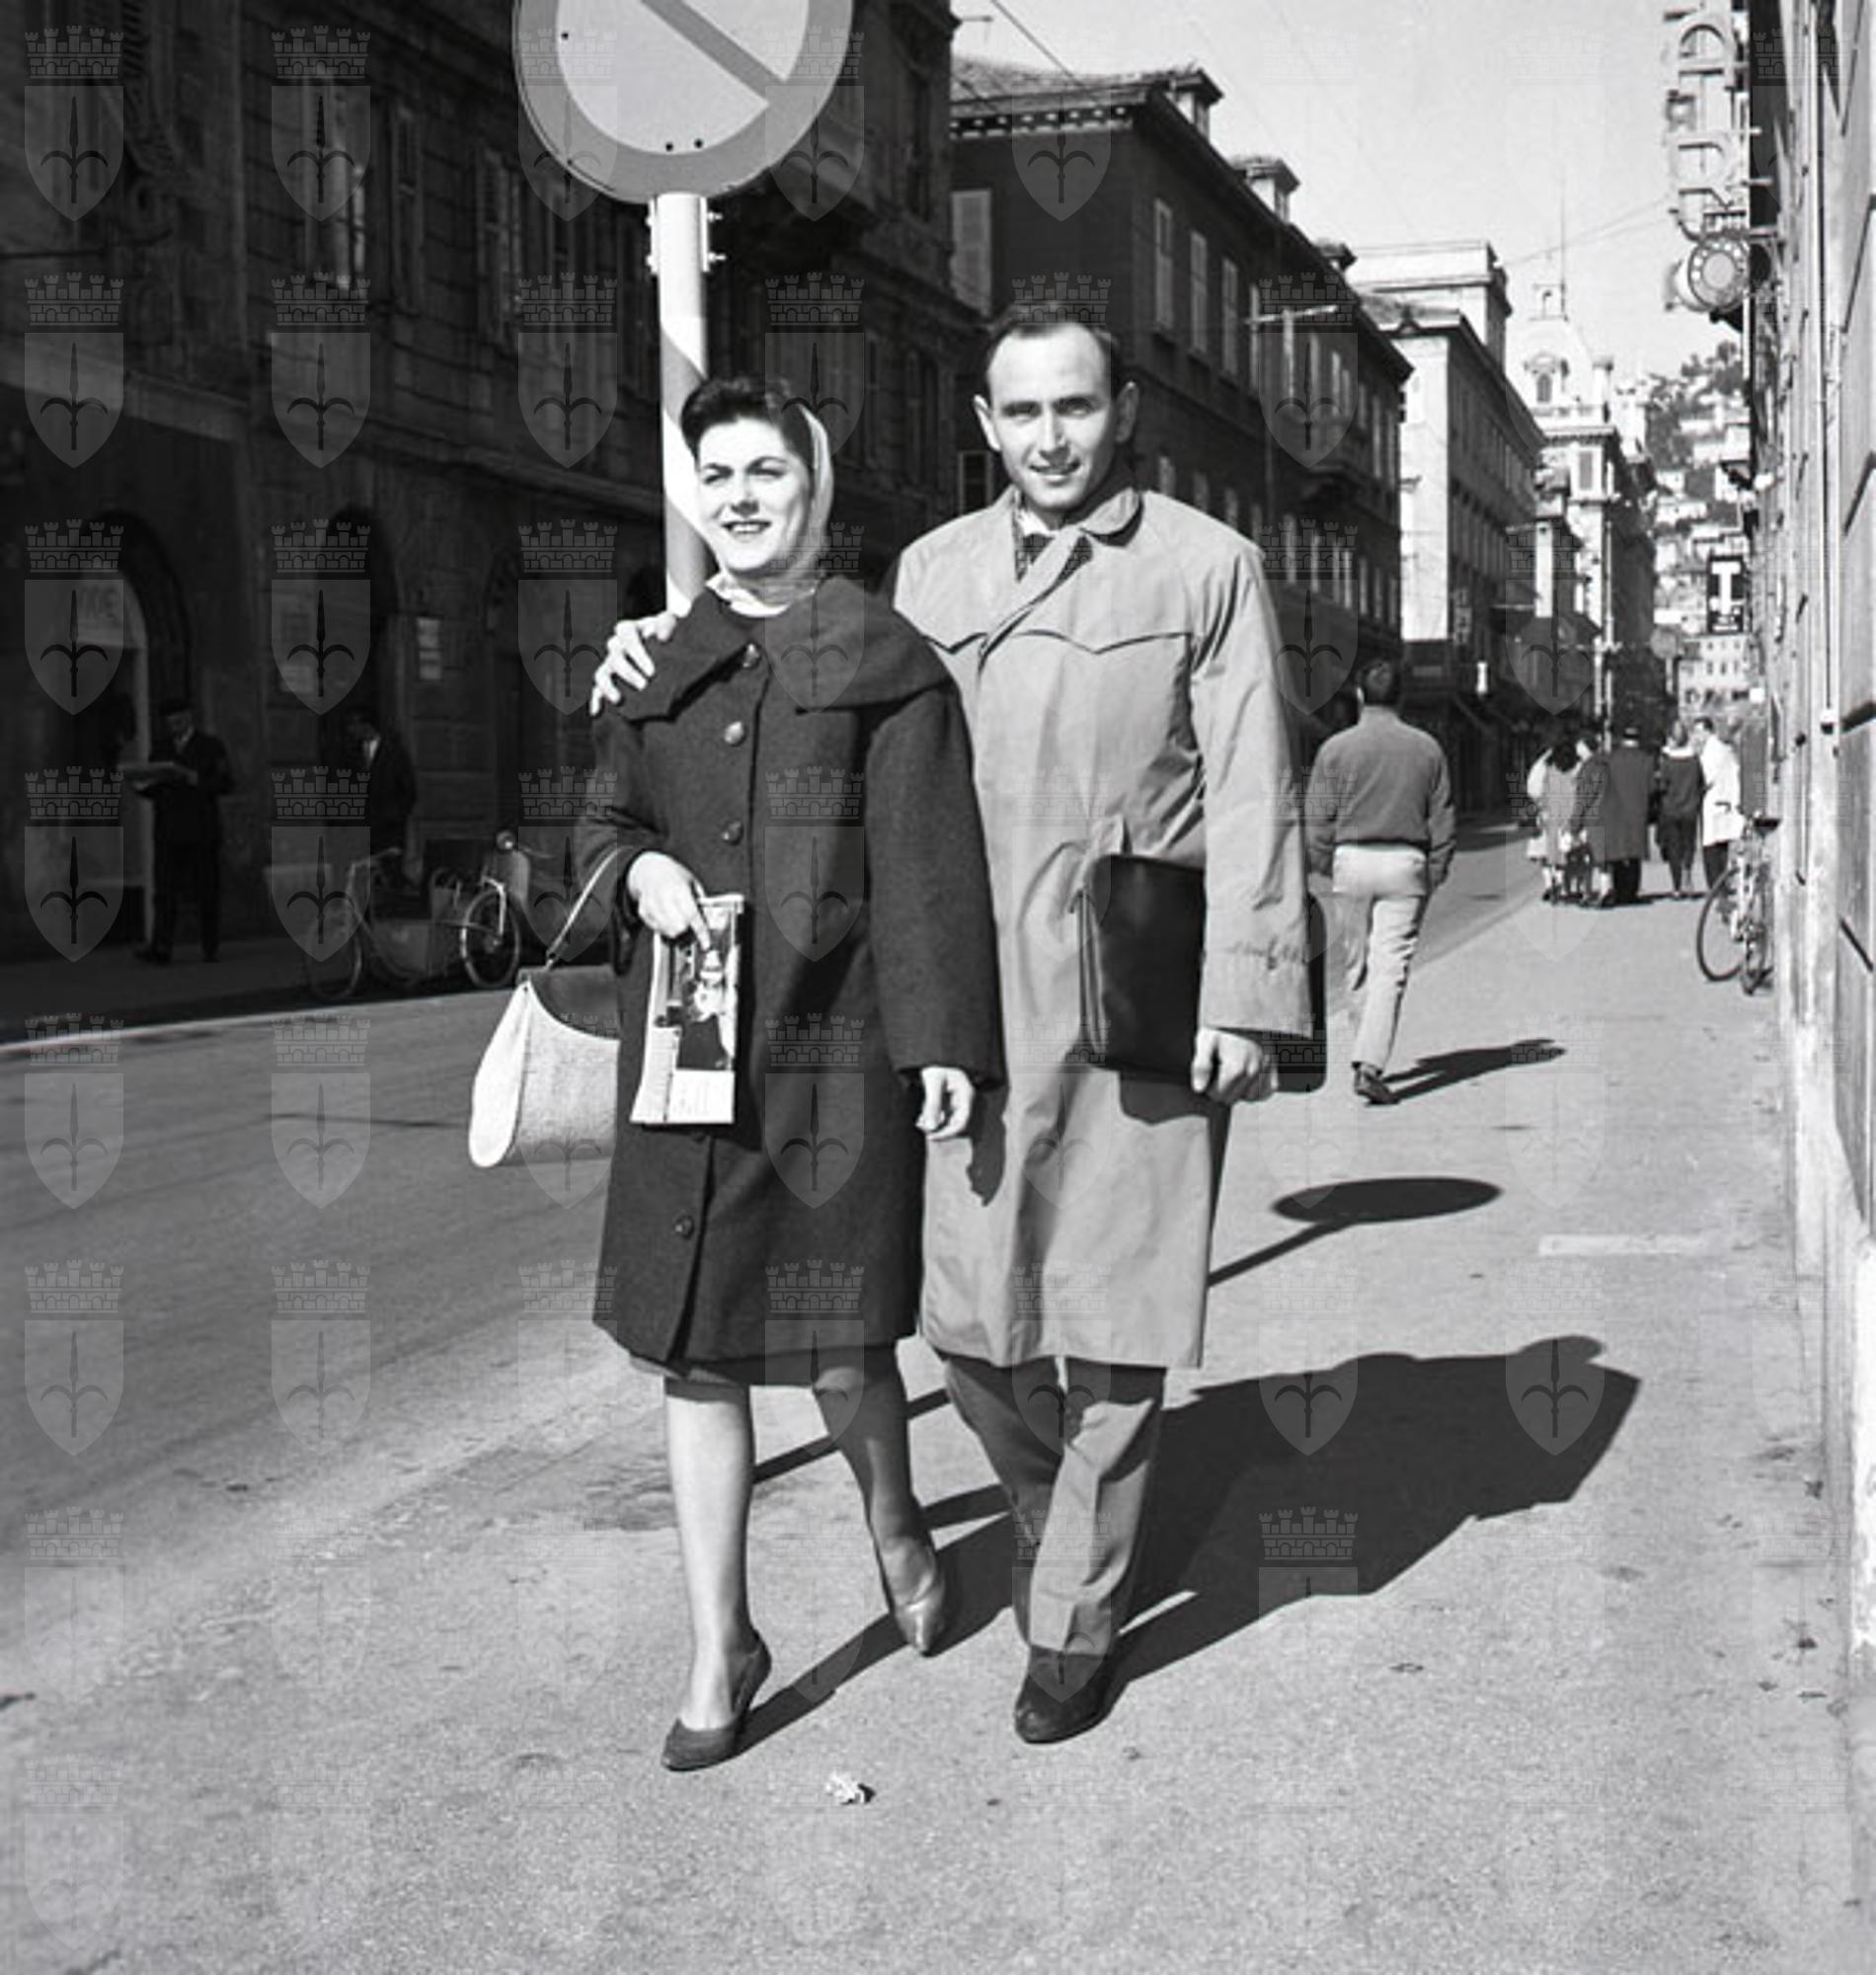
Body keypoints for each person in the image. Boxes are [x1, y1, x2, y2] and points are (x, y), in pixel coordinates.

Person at [593, 310, 1313, 1746]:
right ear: (984, 426)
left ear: (1122, 412)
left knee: (1116, 1327)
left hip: (1134, 990)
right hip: (962, 1003)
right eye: (1021, 412)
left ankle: (1075, 1624)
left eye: (1075, 407)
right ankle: (1057, 1518)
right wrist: (659, 646)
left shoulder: (1206, 566)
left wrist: (1249, 997)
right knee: (972, 1334)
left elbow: (1254, 786)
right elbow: (810, 683)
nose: (1050, 437)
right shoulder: (930, 573)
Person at [574, 376, 1001, 1772]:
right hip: (690, 1058)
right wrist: (634, 868)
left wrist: (944, 1042)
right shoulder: (655, 665)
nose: (742, 497)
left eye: (767, 470)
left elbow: (929, 863)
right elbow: (601, 818)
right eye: (719, 476)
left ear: (813, 488)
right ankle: (722, 1645)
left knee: (836, 1344)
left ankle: (896, 1519)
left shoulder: (887, 659)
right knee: (696, 1356)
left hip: (833, 1051)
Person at [1303, 658, 1455, 1102]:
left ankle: (1362, 1051)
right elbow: (1442, 817)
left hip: (1351, 860)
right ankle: (1368, 1062)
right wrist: (1435, 870)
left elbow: (1317, 818)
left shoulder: (1335, 749)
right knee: (1391, 966)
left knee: (1357, 963)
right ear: (1402, 697)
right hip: (1406, 862)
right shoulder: (1427, 748)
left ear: (1359, 695)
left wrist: (1326, 862)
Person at [131, 696, 234, 964]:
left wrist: (194, 778)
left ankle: (210, 946)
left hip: (202, 831)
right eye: (169, 721)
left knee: (206, 890)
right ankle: (161, 947)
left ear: (189, 717)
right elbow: (154, 788)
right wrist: (139, 785)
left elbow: (225, 783)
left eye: (178, 719)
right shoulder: (161, 748)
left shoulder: (210, 745)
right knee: (164, 891)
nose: (173, 724)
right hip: (168, 831)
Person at [346, 709, 417, 873]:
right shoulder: (352, 753)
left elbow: (409, 791)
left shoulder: (394, 752)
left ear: (365, 725)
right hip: (362, 830)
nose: (350, 730)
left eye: (353, 725)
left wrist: (394, 816)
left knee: (389, 873)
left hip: (389, 830)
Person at [1602, 724, 1656, 905]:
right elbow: (1652, 788)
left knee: (1617, 853)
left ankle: (1619, 891)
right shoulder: (1646, 760)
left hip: (1615, 811)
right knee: (1634, 855)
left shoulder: (1611, 759)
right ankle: (1631, 892)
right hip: (1637, 812)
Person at [1525, 730, 1580, 904]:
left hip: (1547, 814)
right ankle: (1562, 884)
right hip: (1568, 814)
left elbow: (1533, 789)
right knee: (1565, 852)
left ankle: (1550, 883)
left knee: (1546, 853)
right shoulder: (1575, 766)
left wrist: (1539, 804)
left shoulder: (1544, 765)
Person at [1654, 719, 1704, 898]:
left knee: (1674, 848)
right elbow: (1700, 782)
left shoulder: (1667, 761)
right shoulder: (1694, 760)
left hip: (1671, 809)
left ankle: (1676, 886)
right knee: (1688, 845)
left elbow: (1662, 785)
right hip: (1690, 808)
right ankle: (1687, 875)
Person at [1694, 714, 1744, 891]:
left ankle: (1715, 885)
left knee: (1711, 847)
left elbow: (1707, 778)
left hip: (1714, 801)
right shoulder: (1725, 749)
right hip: (1727, 800)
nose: (1697, 737)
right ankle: (1721, 883)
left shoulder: (1710, 751)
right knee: (1722, 844)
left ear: (1708, 731)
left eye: (1699, 732)